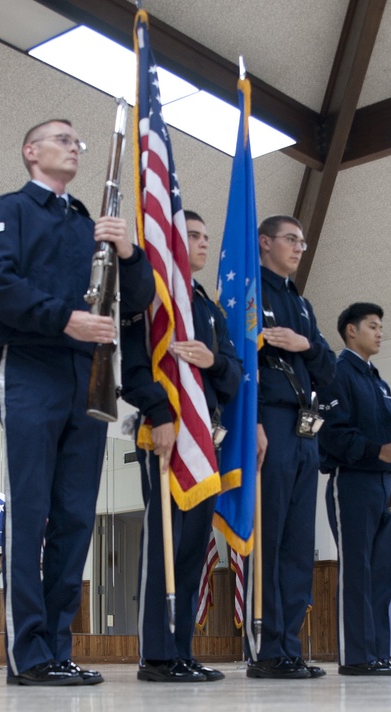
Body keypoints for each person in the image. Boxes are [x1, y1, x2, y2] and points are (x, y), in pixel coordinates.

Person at [0, 119, 155, 686]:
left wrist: (128, 249)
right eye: (62, 139)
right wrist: (63, 317)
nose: (75, 147)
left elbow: (136, 302)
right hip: (33, 365)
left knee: (76, 516)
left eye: (80, 142)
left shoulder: (92, 226)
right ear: (31, 151)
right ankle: (28, 654)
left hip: (89, 374)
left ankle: (57, 648)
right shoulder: (10, 209)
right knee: (29, 513)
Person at [121, 210, 242, 682]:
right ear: (171, 241)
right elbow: (133, 367)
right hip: (165, 432)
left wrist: (212, 360)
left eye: (206, 237)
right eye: (192, 235)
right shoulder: (153, 296)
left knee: (193, 549)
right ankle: (156, 655)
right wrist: (159, 413)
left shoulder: (207, 307)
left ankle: (182, 651)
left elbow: (232, 375)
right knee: (163, 545)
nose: (203, 243)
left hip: (205, 437)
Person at [246, 215, 336, 679]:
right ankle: (266, 648)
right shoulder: (249, 291)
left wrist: (304, 344)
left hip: (305, 430)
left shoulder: (301, 305)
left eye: (302, 241)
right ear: (265, 242)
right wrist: (254, 422)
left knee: (300, 545)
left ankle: (291, 647)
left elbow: (328, 369)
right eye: (291, 239)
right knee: (271, 540)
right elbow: (242, 362)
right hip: (271, 423)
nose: (299, 248)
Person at [317, 303, 391, 676]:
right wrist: (377, 451)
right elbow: (333, 433)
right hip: (352, 482)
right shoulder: (337, 373)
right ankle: (356, 657)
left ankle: (377, 653)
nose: (380, 332)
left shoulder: (377, 381)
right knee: (357, 573)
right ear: (350, 331)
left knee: (380, 574)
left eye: (381, 327)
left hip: (382, 483)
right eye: (372, 326)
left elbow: (390, 432)